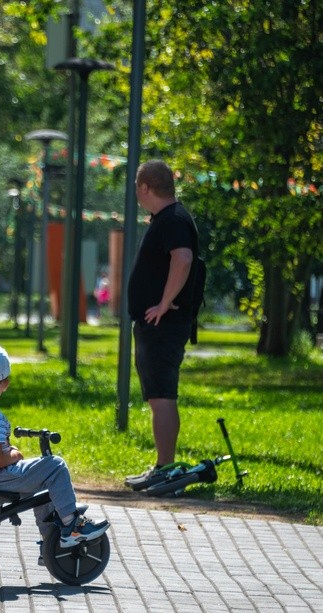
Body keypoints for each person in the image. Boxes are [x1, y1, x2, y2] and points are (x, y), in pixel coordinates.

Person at [0, 344, 109, 548]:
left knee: (43, 478)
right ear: (5, 384)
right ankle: (72, 524)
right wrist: (14, 455)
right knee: (55, 466)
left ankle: (51, 542)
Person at [127, 159, 197, 483]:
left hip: (163, 325)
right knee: (159, 396)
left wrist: (164, 304)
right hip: (158, 325)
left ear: (144, 187)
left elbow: (183, 259)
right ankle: (162, 465)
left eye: (137, 189)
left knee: (162, 396)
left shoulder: (172, 219)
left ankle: (165, 468)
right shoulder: (168, 218)